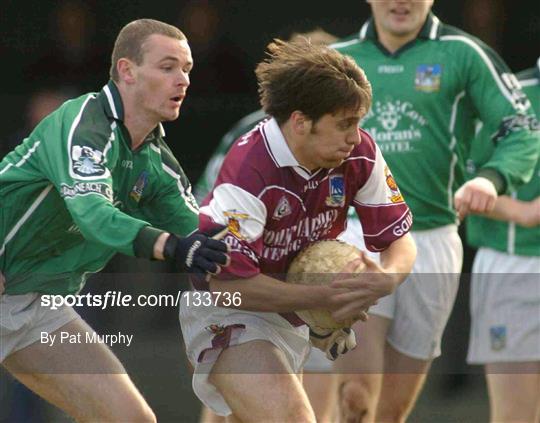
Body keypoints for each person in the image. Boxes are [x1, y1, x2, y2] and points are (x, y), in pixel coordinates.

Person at [0, 19, 229, 422]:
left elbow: (205, 233)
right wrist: (172, 246)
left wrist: (304, 283)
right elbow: (94, 216)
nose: (183, 80)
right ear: (127, 71)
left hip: (35, 303)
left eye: (187, 70)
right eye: (168, 67)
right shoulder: (82, 122)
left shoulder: (156, 164)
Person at [180, 37, 417, 422]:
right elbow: (228, 286)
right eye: (344, 125)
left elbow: (398, 240)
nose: (355, 137)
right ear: (300, 121)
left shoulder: (359, 153)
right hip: (229, 313)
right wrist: (319, 298)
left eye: (358, 123)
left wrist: (388, 278)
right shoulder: (248, 173)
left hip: (295, 315)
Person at [331, 1, 540, 421]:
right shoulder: (337, 60)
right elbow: (287, 138)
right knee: (355, 397)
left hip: (433, 241)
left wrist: (491, 180)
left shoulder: (464, 54)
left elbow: (519, 129)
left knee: (388, 413)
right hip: (354, 235)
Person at [193, 28, 340, 423]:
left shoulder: (352, 142)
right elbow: (202, 215)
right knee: (229, 412)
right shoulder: (249, 136)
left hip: (316, 299)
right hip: (251, 297)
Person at [466, 57, 540, 423]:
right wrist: (523, 213)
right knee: (516, 416)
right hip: (514, 269)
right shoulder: (508, 96)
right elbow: (456, 181)